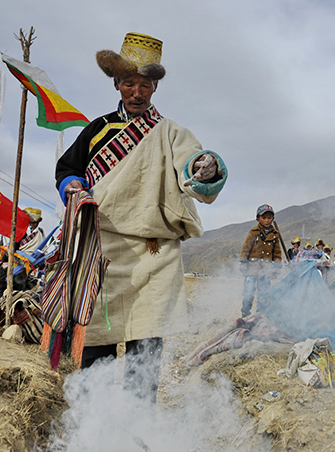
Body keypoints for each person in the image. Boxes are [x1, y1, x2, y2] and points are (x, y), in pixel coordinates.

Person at [55, 32, 227, 401]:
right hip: (102, 252)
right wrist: (72, 187)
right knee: (96, 347)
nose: (137, 92)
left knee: (145, 350)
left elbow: (191, 163)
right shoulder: (97, 130)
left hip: (154, 257)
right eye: (129, 84)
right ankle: (95, 425)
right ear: (117, 85)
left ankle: (138, 429)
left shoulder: (171, 133)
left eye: (144, 85)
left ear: (155, 88)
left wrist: (204, 168)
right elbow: (68, 170)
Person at [240, 205, 282, 317]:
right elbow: (246, 249)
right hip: (252, 268)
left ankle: (260, 316)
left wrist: (277, 267)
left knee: (263, 293)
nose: (267, 220)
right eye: (264, 218)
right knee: (248, 292)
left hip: (266, 269)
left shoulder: (274, 234)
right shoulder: (253, 232)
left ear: (273, 219)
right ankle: (245, 314)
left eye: (269, 217)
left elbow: (277, 253)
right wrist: (243, 263)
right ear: (258, 219)